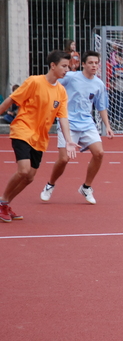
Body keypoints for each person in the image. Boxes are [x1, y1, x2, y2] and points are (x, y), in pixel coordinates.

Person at [0, 50, 78, 222]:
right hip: (22, 129)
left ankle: (5, 205)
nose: (67, 70)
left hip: (40, 138)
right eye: (64, 66)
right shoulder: (34, 81)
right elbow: (11, 100)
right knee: (24, 170)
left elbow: (63, 118)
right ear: (53, 65)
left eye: (68, 67)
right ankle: (2, 202)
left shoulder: (61, 92)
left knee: (29, 177)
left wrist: (69, 141)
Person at [40, 50, 114, 205]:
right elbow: (54, 83)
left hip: (87, 123)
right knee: (64, 159)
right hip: (67, 122)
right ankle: (50, 184)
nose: (94, 66)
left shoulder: (99, 84)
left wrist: (107, 126)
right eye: (91, 63)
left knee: (99, 153)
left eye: (96, 63)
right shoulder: (71, 77)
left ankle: (86, 187)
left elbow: (101, 107)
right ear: (83, 64)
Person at [109, 52, 123, 125]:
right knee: (117, 102)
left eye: (116, 57)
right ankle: (116, 118)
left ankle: (121, 118)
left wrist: (119, 75)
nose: (115, 59)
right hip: (116, 86)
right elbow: (112, 75)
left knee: (122, 102)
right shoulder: (115, 66)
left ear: (121, 58)